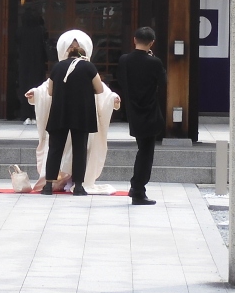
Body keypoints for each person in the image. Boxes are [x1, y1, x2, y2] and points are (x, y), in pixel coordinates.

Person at [27, 29, 121, 193]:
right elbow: (101, 90)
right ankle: (78, 186)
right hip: (81, 114)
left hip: (60, 113)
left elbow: (48, 91)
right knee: (80, 149)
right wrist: (109, 97)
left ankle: (48, 186)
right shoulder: (89, 67)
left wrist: (35, 93)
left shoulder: (58, 67)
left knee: (55, 149)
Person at [116, 26, 166, 206]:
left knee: (142, 150)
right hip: (149, 111)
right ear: (152, 43)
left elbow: (120, 80)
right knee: (146, 153)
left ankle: (137, 187)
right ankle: (138, 189)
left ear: (134, 40)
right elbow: (163, 82)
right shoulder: (155, 62)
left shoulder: (124, 60)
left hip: (132, 110)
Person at [16, 9, 49, 124]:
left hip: (24, 63)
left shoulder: (20, 31)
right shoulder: (41, 30)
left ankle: (25, 115)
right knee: (38, 88)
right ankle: (36, 115)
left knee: (24, 88)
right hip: (38, 63)